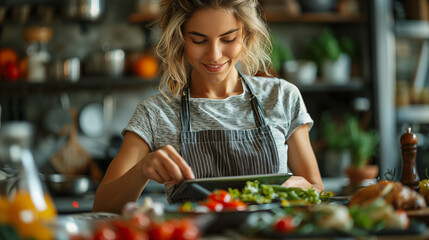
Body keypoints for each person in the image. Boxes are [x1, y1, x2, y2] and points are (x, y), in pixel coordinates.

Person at [93, 0, 323, 213]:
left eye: (228, 39)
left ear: (247, 36)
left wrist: (305, 190)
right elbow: (101, 208)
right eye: (199, 40)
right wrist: (141, 170)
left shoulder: (282, 96)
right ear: (180, 39)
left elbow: (317, 191)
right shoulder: (154, 113)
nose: (214, 54)